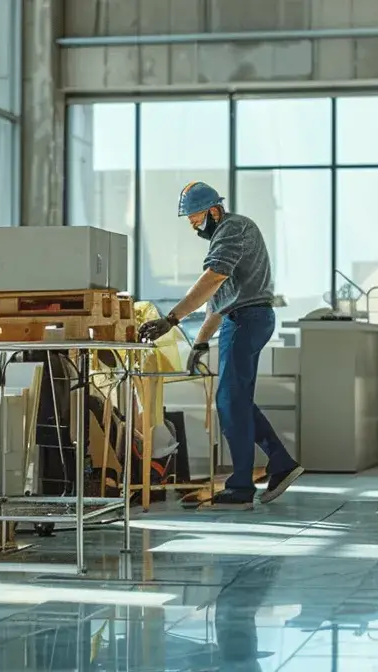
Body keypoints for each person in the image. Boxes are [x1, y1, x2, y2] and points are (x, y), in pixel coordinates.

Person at [137, 182, 303, 509]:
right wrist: (199, 343)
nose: (194, 226)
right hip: (241, 319)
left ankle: (241, 486)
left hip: (246, 320)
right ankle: (281, 463)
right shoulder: (226, 233)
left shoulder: (231, 229)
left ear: (214, 210)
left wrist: (171, 319)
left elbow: (213, 279)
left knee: (230, 402)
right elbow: (217, 300)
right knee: (235, 400)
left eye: (196, 219)